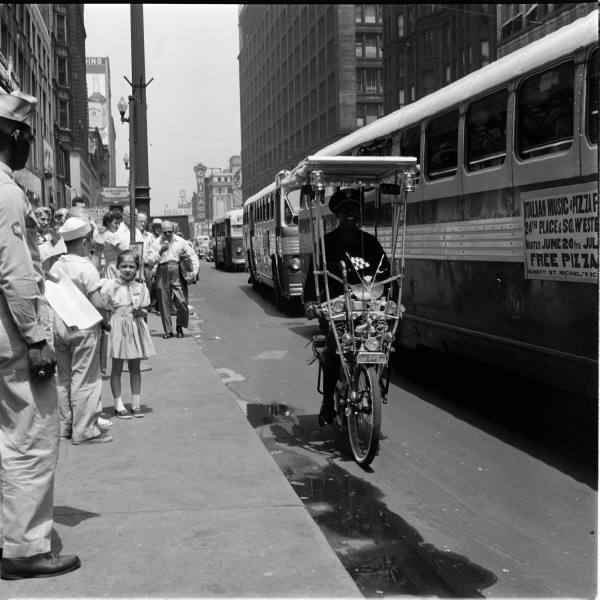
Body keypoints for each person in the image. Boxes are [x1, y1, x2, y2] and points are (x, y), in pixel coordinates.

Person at [0, 89, 80, 579]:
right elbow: (14, 274)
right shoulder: (7, 192)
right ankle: (25, 549)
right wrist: (35, 338)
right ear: (14, 135)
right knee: (30, 437)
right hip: (10, 336)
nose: (29, 145)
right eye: (27, 135)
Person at [303, 188, 391, 427]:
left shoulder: (370, 243)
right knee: (336, 348)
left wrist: (388, 299)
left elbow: (385, 274)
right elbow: (313, 277)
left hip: (367, 309)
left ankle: (375, 384)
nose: (350, 213)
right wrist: (310, 303)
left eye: (354, 209)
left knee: (385, 340)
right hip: (336, 310)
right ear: (337, 214)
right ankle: (327, 404)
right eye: (345, 210)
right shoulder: (326, 243)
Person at [50, 217, 112, 444]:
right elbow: (97, 302)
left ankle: (64, 426)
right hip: (84, 329)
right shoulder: (87, 268)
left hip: (60, 327)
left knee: (63, 379)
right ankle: (84, 430)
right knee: (85, 379)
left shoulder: (56, 265)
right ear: (85, 242)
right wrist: (106, 318)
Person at [101, 250, 155, 418]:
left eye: (131, 266)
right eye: (124, 266)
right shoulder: (110, 286)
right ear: (117, 267)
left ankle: (136, 403)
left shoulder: (141, 287)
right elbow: (104, 307)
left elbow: (145, 310)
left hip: (135, 328)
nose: (128, 269)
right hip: (118, 327)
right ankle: (118, 404)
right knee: (117, 367)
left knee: (135, 367)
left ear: (137, 268)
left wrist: (141, 312)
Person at [153, 220, 193, 339]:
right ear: (161, 232)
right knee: (163, 302)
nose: (168, 234)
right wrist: (160, 252)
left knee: (182, 301)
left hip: (177, 270)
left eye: (170, 231)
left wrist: (193, 273)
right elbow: (150, 259)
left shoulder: (181, 241)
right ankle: (168, 330)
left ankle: (179, 326)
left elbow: (191, 255)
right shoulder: (156, 243)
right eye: (165, 232)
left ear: (173, 230)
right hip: (162, 269)